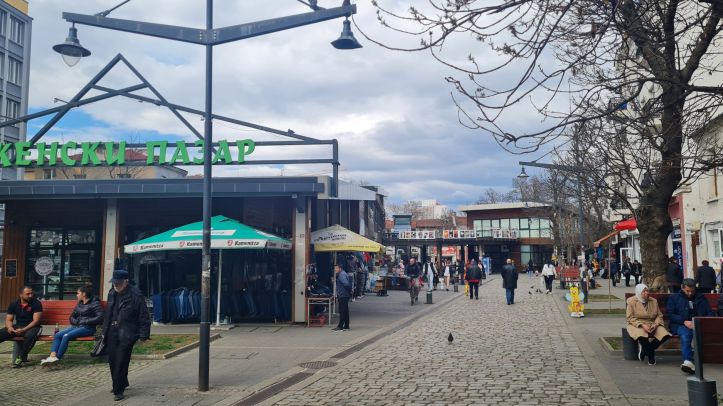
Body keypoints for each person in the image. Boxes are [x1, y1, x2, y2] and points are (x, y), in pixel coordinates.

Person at [102, 270, 151, 401]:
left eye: (118, 283)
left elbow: (144, 316)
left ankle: (118, 390)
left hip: (127, 331)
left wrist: (144, 335)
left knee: (121, 361)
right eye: (114, 283)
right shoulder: (112, 293)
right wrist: (104, 331)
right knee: (113, 359)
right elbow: (108, 313)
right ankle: (120, 382)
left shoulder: (136, 294)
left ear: (126, 282)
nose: (116, 285)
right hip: (112, 330)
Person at [41, 285, 104, 366]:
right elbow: (71, 317)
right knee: (58, 335)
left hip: (88, 328)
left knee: (66, 336)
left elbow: (100, 317)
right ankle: (52, 356)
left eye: (78, 293)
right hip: (76, 327)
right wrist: (76, 321)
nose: (76, 295)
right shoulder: (79, 304)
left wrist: (85, 321)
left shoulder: (95, 304)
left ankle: (56, 359)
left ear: (84, 294)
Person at [666, 278, 714, 375]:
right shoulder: (674, 298)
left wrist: (700, 321)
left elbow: (709, 312)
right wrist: (684, 321)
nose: (690, 293)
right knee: (686, 334)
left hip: (698, 323)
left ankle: (692, 360)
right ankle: (688, 361)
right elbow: (670, 315)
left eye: (692, 291)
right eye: (687, 291)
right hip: (679, 324)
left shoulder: (701, 298)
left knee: (696, 333)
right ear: (682, 288)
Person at [626, 284, 671, 365]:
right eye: (644, 291)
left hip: (652, 323)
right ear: (639, 292)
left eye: (647, 290)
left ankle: (645, 350)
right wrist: (642, 325)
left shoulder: (653, 301)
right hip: (637, 324)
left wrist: (656, 324)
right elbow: (630, 317)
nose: (646, 293)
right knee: (642, 336)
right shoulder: (631, 301)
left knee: (665, 335)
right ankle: (651, 356)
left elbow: (659, 315)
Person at [0, 286, 43, 368]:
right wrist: (10, 327)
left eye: (31, 293)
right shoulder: (14, 304)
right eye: (28, 294)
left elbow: (36, 321)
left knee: (29, 337)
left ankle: (20, 358)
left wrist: (23, 329)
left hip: (33, 327)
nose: (30, 295)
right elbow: (9, 319)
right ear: (21, 295)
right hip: (18, 326)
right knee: (1, 333)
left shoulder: (36, 303)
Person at [333, 264, 352, 332]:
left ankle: (340, 326)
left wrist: (349, 290)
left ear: (340, 268)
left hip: (343, 295)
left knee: (342, 311)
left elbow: (346, 284)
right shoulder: (343, 274)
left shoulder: (341, 275)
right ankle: (346, 326)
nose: (335, 270)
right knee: (345, 311)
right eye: (335, 268)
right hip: (344, 294)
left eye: (336, 268)